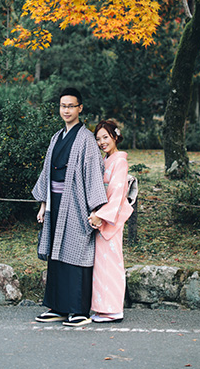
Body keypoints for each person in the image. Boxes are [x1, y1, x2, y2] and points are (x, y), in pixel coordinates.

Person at [33, 88, 108, 327]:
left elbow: (93, 174)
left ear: (80, 108)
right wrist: (44, 204)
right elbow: (47, 173)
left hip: (76, 203)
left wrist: (96, 210)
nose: (66, 110)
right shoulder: (56, 137)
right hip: (56, 204)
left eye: (71, 106)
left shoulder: (86, 138)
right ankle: (57, 307)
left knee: (76, 254)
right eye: (63, 106)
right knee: (57, 255)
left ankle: (78, 310)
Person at [88, 120, 134, 323]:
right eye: (98, 139)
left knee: (111, 263)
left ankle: (114, 309)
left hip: (111, 218)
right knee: (101, 264)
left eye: (105, 137)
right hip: (103, 216)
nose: (102, 142)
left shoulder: (120, 162)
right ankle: (102, 307)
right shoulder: (106, 160)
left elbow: (117, 193)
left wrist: (101, 214)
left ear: (115, 136)